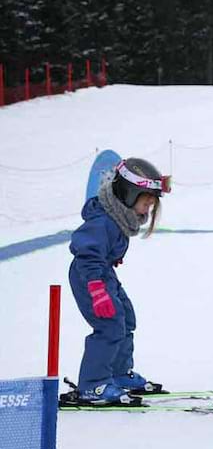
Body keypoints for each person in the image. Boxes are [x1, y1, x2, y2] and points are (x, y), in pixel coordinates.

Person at [67, 158, 171, 405]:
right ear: (128, 193)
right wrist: (96, 288)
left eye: (151, 205)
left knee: (126, 318)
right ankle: (93, 385)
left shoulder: (117, 217)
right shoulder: (103, 220)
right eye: (146, 202)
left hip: (103, 274)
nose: (147, 210)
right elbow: (85, 250)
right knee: (110, 325)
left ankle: (118, 373)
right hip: (88, 276)